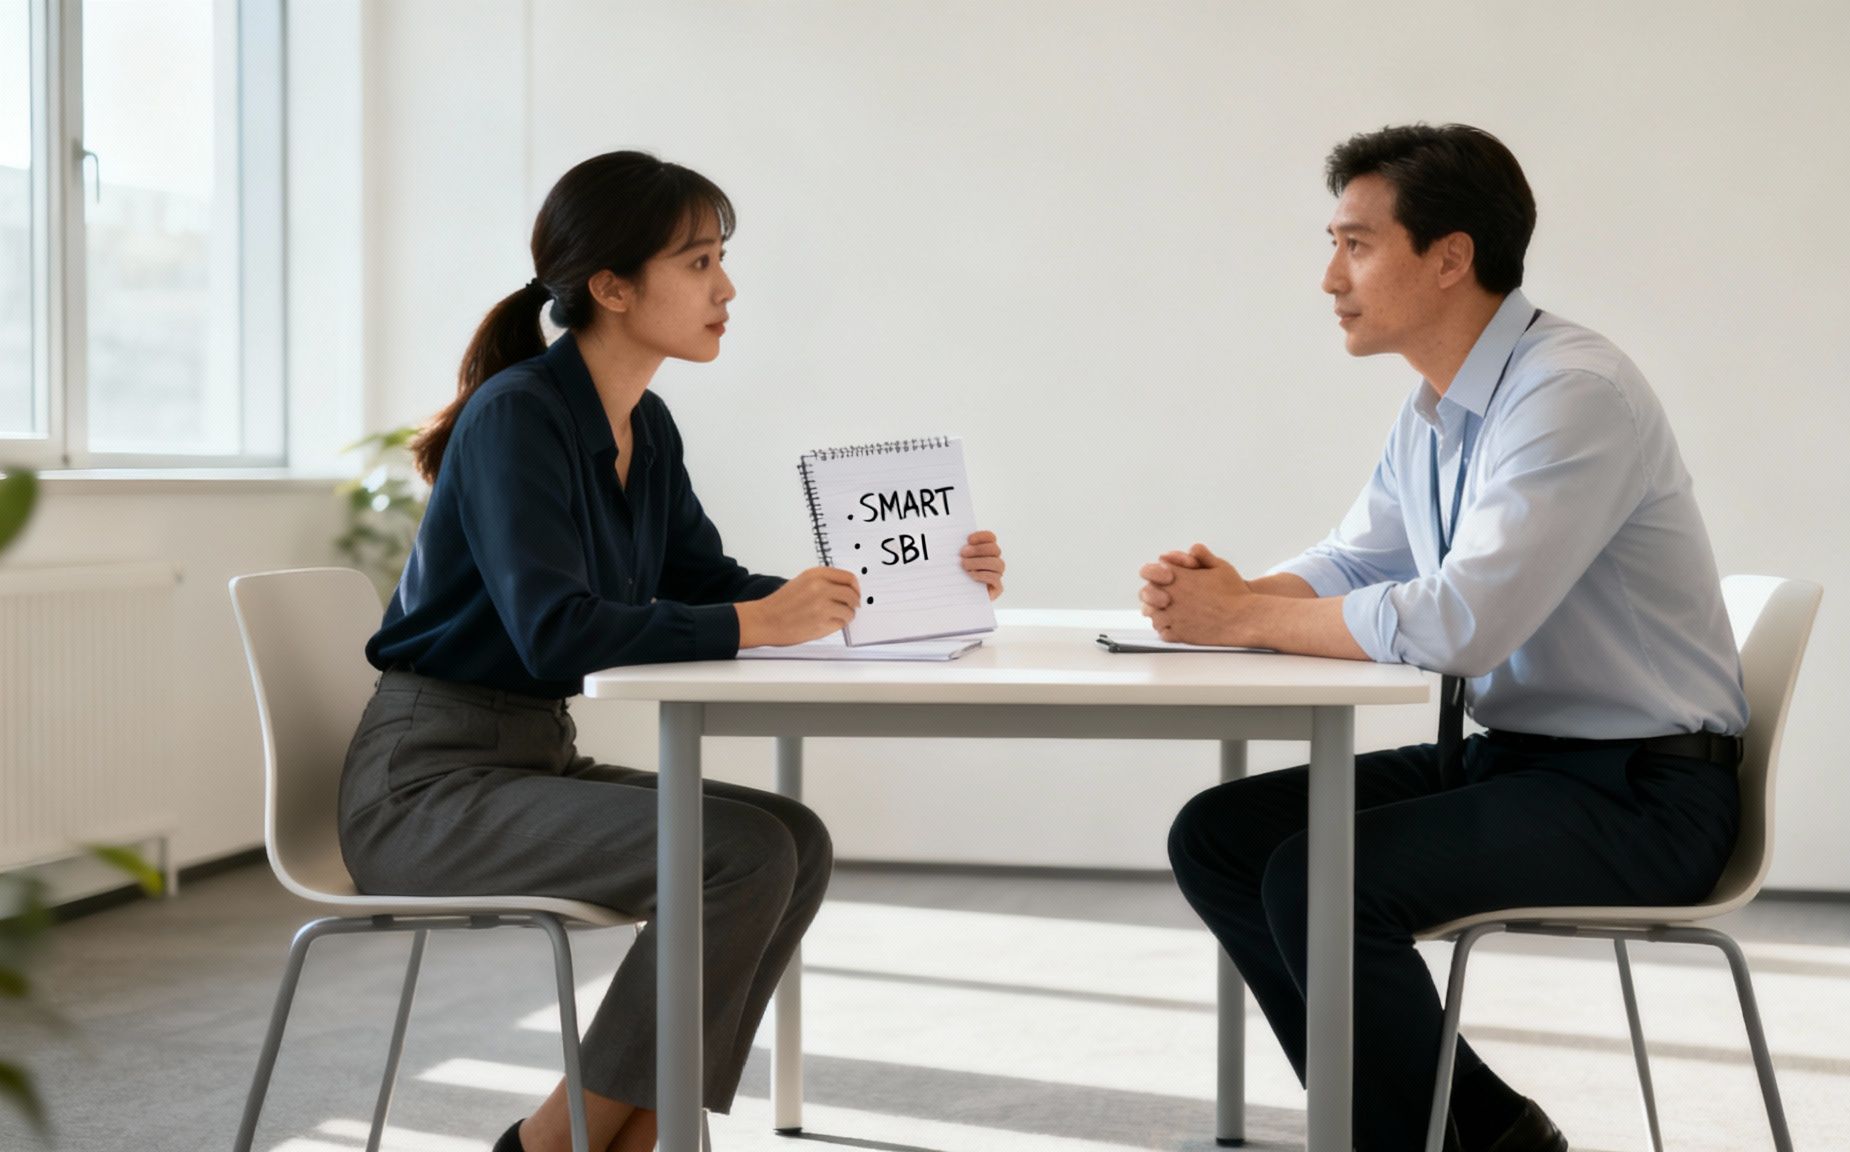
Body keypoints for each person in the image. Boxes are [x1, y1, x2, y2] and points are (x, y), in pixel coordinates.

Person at [336, 151, 1008, 1152]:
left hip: (526, 760)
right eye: (698, 263)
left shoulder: (642, 424)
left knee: (794, 841)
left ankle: (626, 1142)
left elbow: (708, 583)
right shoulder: (517, 415)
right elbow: (556, 631)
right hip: (425, 788)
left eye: (720, 259)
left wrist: (906, 587)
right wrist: (758, 622)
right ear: (612, 287)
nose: (725, 288)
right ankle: (548, 1145)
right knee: (736, 853)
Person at [1147, 124, 1747, 1151]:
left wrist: (1241, 617)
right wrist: (1238, 592)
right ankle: (1483, 1130)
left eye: (1356, 245)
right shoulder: (1437, 407)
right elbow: (1357, 559)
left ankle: (1417, 1138)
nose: (1329, 277)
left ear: (1450, 257)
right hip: (1519, 763)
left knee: (1320, 879)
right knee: (1219, 838)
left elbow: (1463, 623)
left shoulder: (1571, 393)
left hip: (1644, 797)